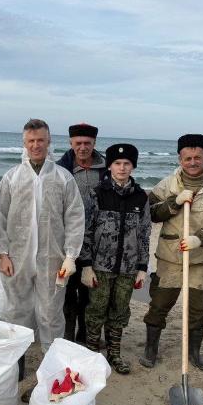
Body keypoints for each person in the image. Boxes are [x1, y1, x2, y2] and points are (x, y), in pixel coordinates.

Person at [0, 118, 85, 379]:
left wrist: (70, 256)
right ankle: (18, 364)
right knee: (15, 310)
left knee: (50, 313)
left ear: (48, 141)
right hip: (17, 259)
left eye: (40, 140)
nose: (36, 145)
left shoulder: (62, 177)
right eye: (31, 141)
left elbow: (75, 217)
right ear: (24, 143)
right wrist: (2, 253)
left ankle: (51, 366)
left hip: (52, 260)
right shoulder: (12, 177)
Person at [140, 134, 203, 371]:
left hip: (201, 260)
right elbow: (150, 213)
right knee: (159, 305)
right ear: (180, 159)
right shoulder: (167, 184)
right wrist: (174, 203)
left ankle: (194, 353)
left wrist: (199, 239)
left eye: (197, 157)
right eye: (187, 158)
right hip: (170, 258)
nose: (193, 162)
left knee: (198, 309)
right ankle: (150, 349)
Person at [79, 143, 150, 374]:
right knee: (96, 309)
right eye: (117, 163)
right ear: (109, 166)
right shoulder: (97, 194)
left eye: (127, 164)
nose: (122, 168)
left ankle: (114, 354)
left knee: (120, 310)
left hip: (128, 268)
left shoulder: (140, 197)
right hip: (100, 266)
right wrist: (86, 265)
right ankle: (91, 354)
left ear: (133, 166)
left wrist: (142, 267)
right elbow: (86, 231)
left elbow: (144, 233)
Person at [56, 123, 107, 344]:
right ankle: (67, 337)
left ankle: (84, 335)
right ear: (71, 143)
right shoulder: (60, 170)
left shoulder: (106, 169)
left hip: (98, 242)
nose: (83, 147)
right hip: (67, 242)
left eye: (87, 143)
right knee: (67, 292)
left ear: (94, 143)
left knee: (90, 293)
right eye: (78, 143)